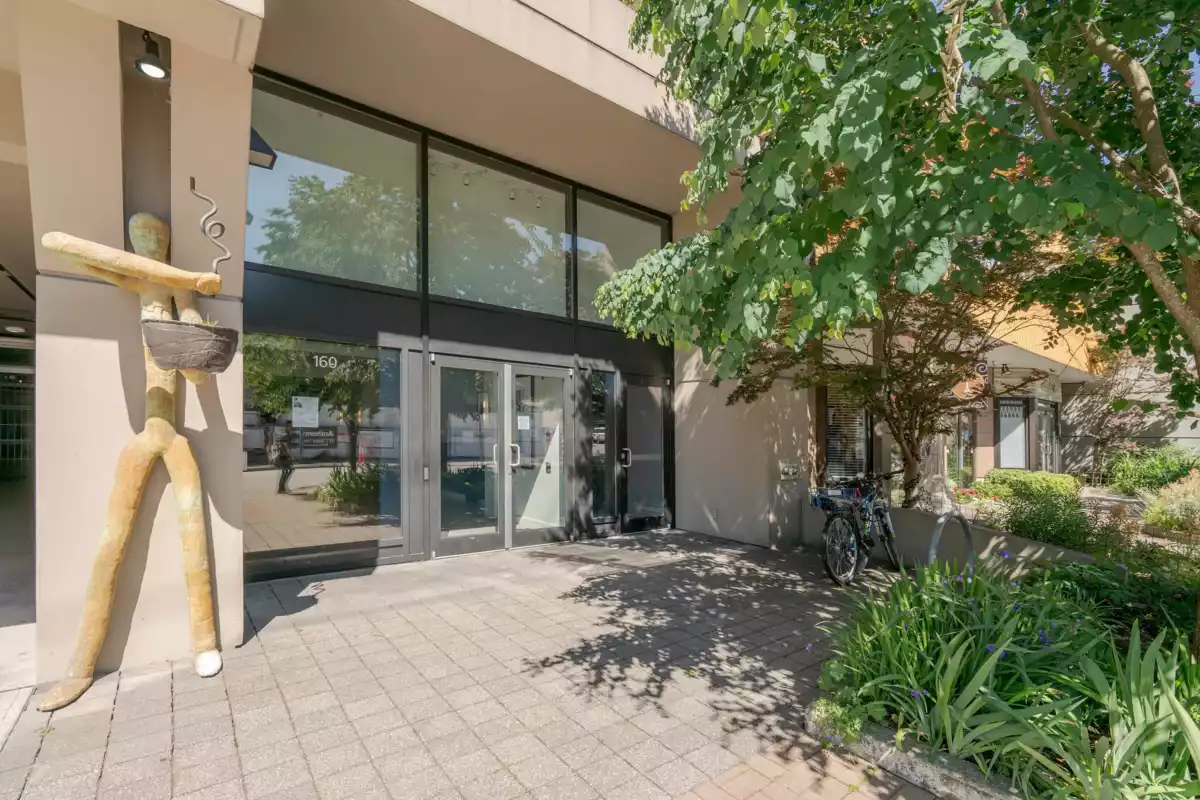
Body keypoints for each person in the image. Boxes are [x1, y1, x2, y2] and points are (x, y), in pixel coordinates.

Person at [276, 421, 295, 494]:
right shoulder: (285, 436)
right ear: (287, 427)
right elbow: (286, 448)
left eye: (291, 426)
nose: (291, 428)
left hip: (285, 456)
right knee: (286, 471)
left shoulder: (289, 436)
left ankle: (283, 487)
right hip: (282, 456)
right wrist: (292, 456)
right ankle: (281, 488)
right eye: (290, 426)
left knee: (288, 470)